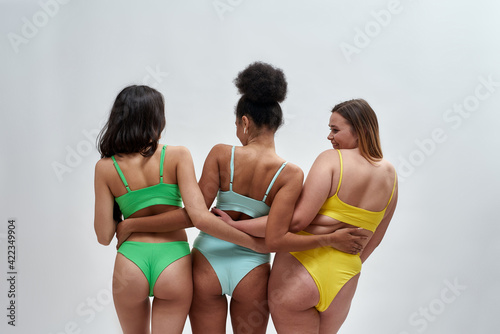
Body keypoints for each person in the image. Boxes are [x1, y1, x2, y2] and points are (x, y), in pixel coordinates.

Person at [112, 62, 356, 334]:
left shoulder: (221, 154)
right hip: (252, 269)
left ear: (245, 122)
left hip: (208, 260)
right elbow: (278, 229)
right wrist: (258, 243)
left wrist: (134, 224)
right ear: (276, 125)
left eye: (237, 125)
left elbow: (195, 214)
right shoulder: (291, 175)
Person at [219, 98, 398, 333]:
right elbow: (374, 239)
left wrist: (237, 225)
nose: (329, 136)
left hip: (299, 270)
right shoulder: (391, 176)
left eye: (335, 130)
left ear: (361, 130)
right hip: (344, 280)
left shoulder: (333, 159)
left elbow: (295, 221)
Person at [93, 85, 234, 334]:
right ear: (156, 118)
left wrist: (130, 222)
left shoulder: (105, 168)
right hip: (174, 262)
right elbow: (196, 214)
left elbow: (104, 236)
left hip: (130, 263)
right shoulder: (178, 155)